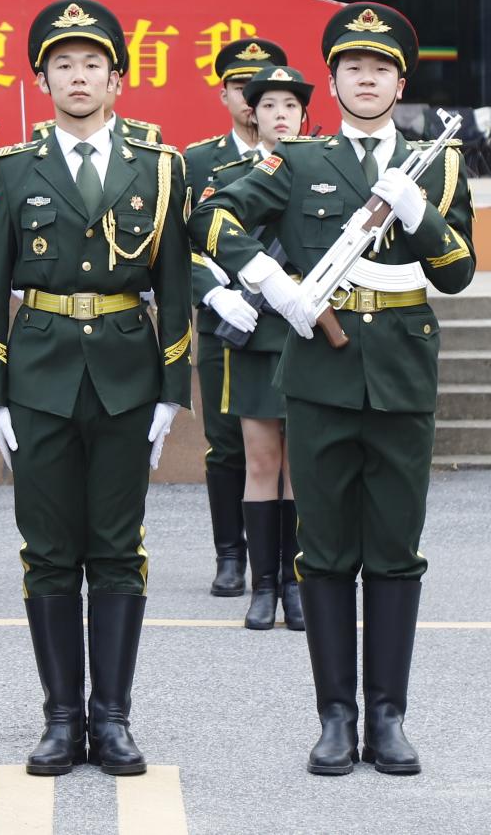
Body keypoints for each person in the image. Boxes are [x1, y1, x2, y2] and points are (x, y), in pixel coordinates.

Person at [187, 2, 476, 778]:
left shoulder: (437, 163)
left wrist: (419, 216)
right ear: (334, 79)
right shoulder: (299, 159)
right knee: (324, 551)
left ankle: (389, 716)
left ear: (400, 82)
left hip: (402, 375)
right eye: (353, 67)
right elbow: (211, 218)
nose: (367, 78)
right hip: (319, 373)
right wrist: (271, 281)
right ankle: (335, 716)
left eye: (381, 68)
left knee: (395, 551)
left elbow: (458, 271)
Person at [0, 0, 193, 778]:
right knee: (49, 550)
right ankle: (62, 717)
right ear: (42, 79)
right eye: (62, 64)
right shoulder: (10, 169)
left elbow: (175, 282)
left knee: (119, 548)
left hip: (128, 376)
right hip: (40, 375)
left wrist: (173, 388)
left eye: (92, 63)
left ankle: (114, 717)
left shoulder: (159, 167)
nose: (77, 76)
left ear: (117, 79)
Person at [200, 64, 315, 632]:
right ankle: (262, 584)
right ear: (253, 113)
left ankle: (295, 582)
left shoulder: (320, 166)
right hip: (253, 327)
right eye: (269, 106)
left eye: (290, 106)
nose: (280, 115)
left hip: (303, 327)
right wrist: (221, 293)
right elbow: (199, 235)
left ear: (305, 116)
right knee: (261, 459)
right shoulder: (229, 174)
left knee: (299, 464)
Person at [182, 35, 288, 598]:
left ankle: (287, 564)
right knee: (226, 441)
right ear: (224, 95)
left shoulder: (305, 154)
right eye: (241, 88)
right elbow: (176, 242)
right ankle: (230, 554)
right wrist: (213, 291)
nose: (252, 99)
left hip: (285, 321)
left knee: (289, 445)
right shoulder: (198, 162)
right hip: (225, 321)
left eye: (263, 89)